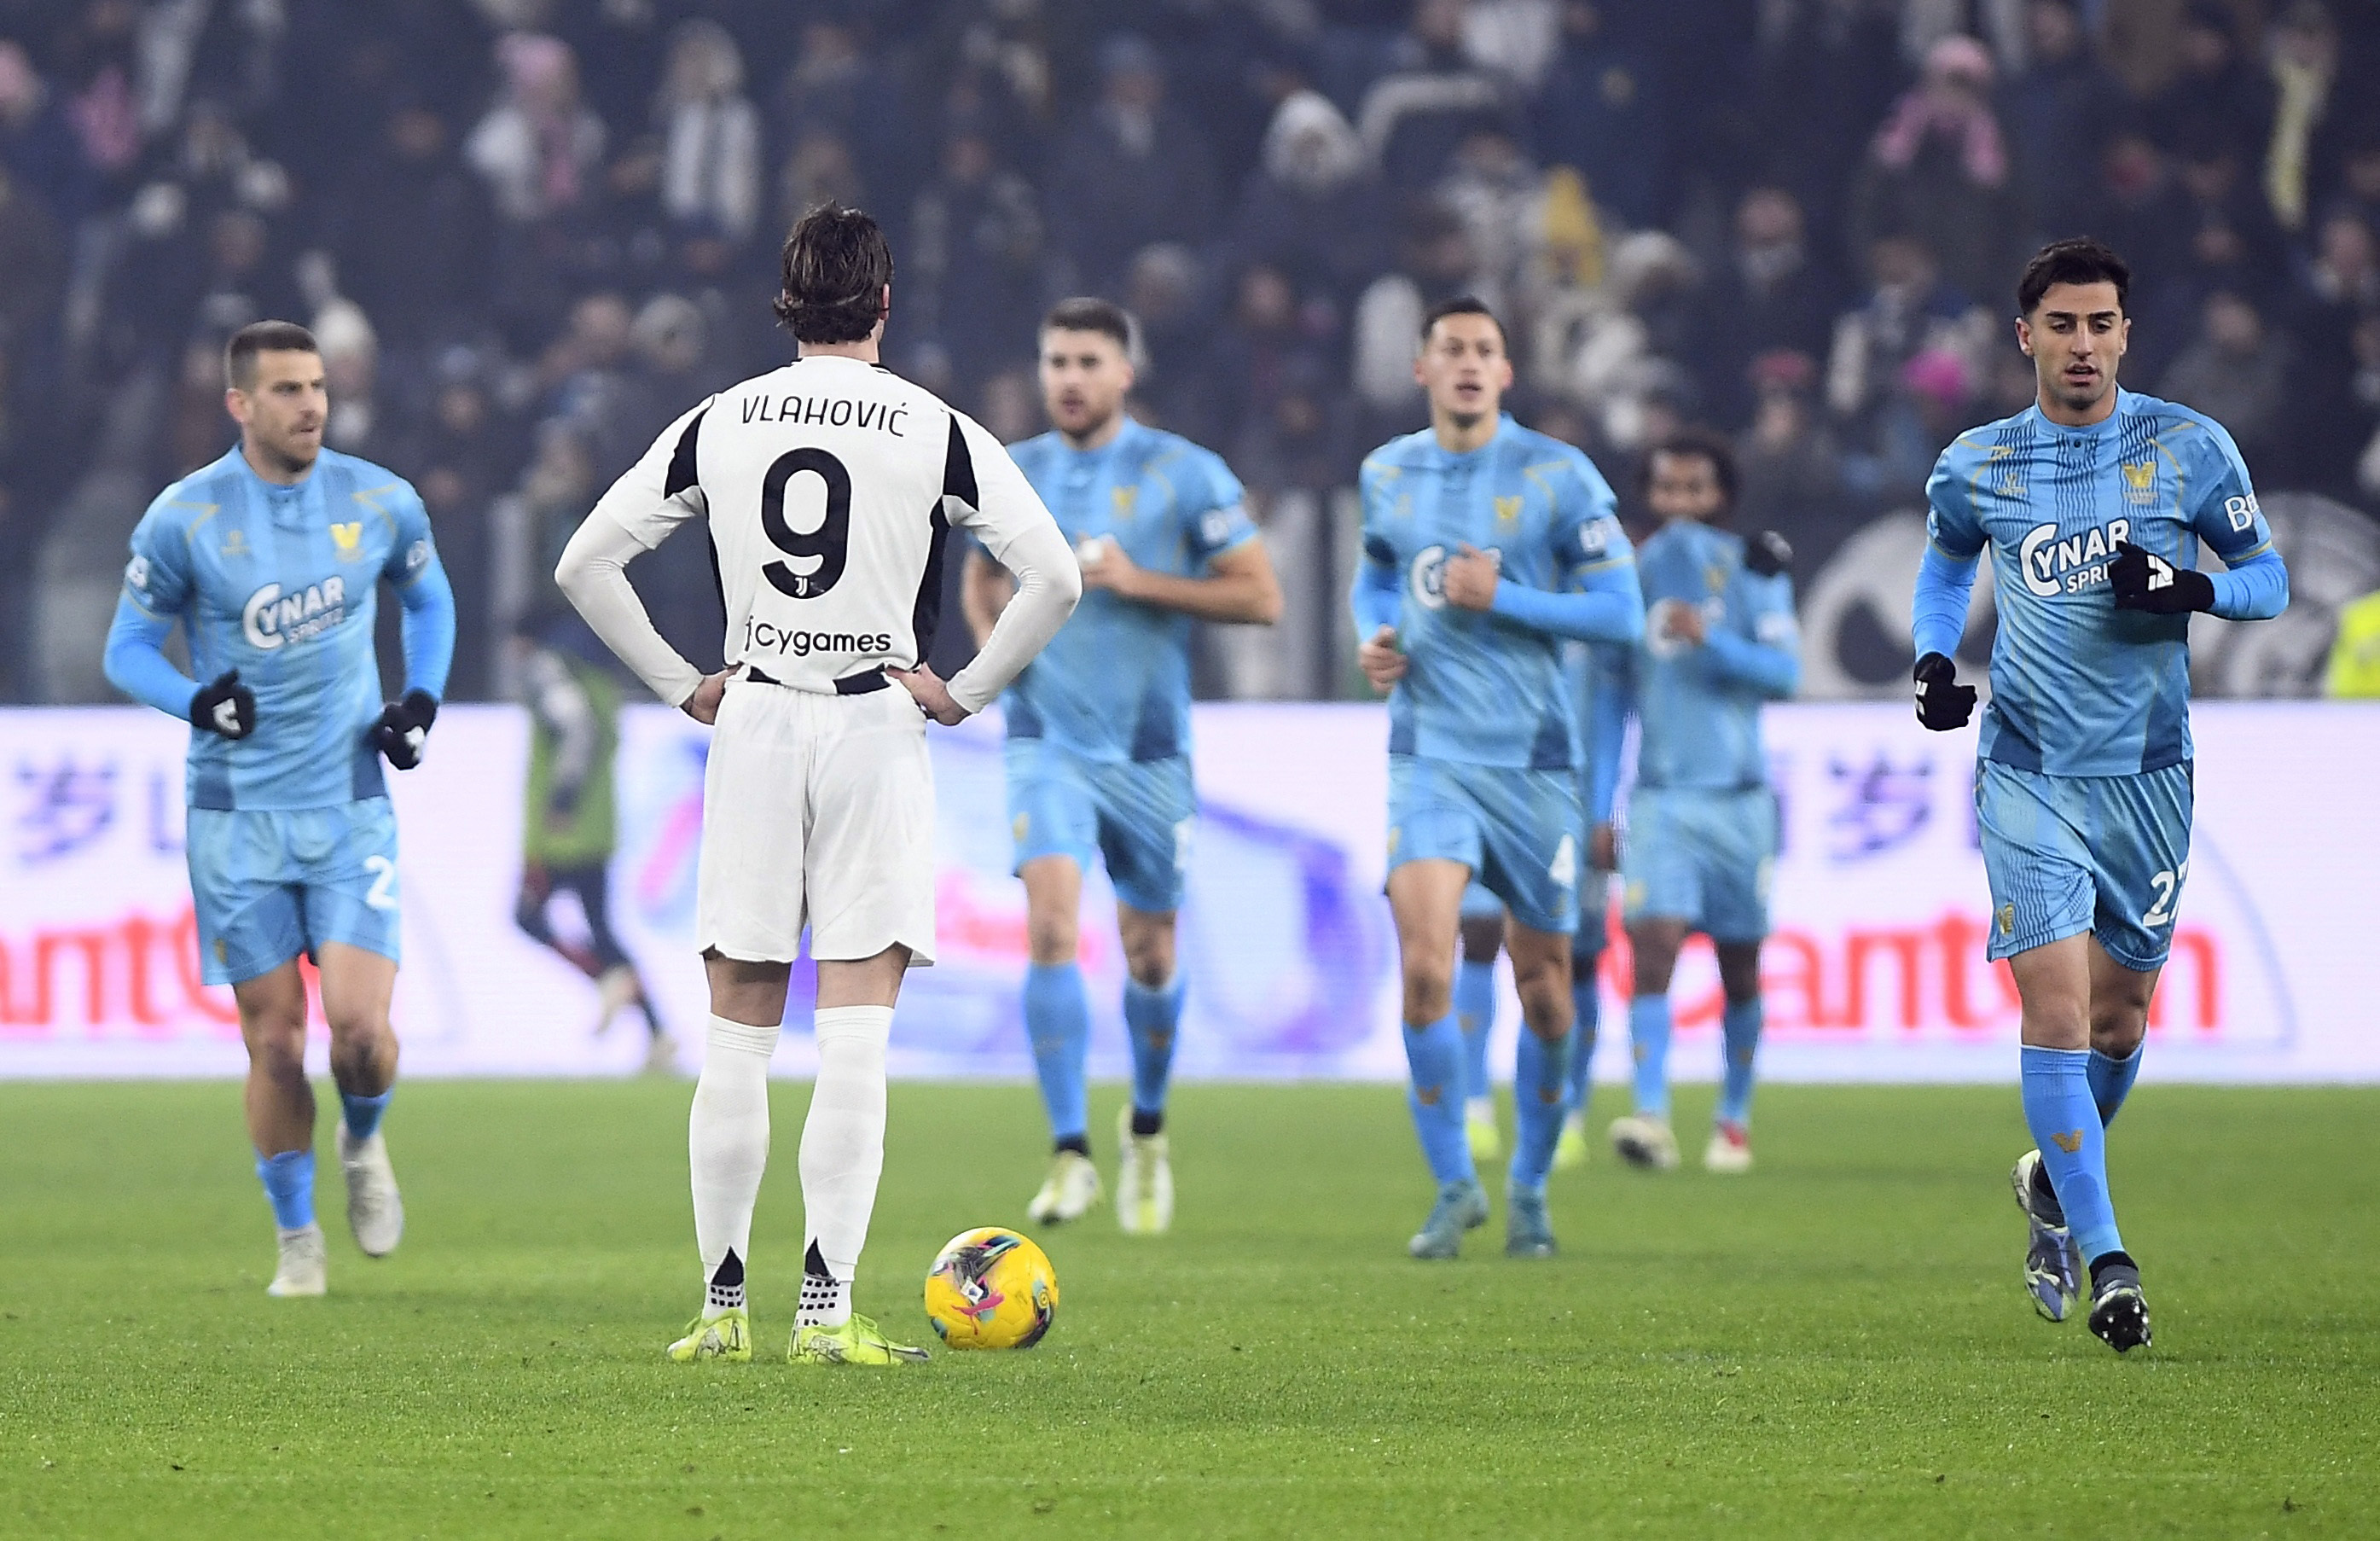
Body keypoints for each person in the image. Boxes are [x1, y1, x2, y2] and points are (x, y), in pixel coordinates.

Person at [554, 203, 1080, 1366]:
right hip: (873, 725)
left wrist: (679, 682)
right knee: (852, 1041)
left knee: (735, 1038)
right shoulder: (933, 427)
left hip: (753, 721)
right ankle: (826, 1315)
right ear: (886, 303)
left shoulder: (721, 417)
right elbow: (1053, 576)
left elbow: (583, 562)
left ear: (784, 305)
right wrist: (965, 689)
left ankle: (721, 1310)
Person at [1912, 238, 2289, 1354]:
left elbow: (2267, 580)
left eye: (2100, 324)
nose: (2082, 344)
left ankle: (2049, 1185)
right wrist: (1935, 658)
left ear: (2125, 334)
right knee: (2058, 1013)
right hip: (2026, 771)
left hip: (2147, 774)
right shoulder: (1977, 462)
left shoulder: (2186, 448)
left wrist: (2188, 586)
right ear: (2024, 337)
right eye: (2060, 325)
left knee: (2121, 1018)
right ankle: (2110, 1256)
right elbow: (1942, 560)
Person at [101, 320, 457, 1297]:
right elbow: (125, 649)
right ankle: (298, 1239)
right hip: (235, 815)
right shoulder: (185, 517)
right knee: (274, 1040)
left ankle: (364, 1139)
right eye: (289, 391)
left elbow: (430, 605)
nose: (312, 405)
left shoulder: (380, 499)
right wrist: (198, 701)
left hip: (347, 802)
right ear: (240, 405)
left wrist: (418, 700)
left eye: (318, 387)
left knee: (359, 1031)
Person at [961, 297, 1283, 1235]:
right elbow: (981, 577)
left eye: (1087, 361)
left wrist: (1141, 582)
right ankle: (1070, 1156)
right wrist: (997, 653)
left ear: (1123, 373)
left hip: (1147, 750)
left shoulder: (1185, 474)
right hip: (1045, 741)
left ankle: (1146, 1130)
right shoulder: (1015, 475)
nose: (1068, 378)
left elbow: (1262, 598)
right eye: (1056, 361)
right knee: (1051, 927)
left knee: (1150, 951)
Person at [1353, 296, 1644, 1260]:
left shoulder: (1558, 476)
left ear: (1507, 372)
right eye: (1452, 349)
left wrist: (1504, 597)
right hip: (1428, 755)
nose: (1469, 363)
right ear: (1422, 369)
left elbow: (1622, 615)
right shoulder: (1387, 472)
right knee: (1428, 967)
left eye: (1486, 350)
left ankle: (1528, 1187)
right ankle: (1453, 1188)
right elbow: (1374, 574)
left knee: (1546, 987)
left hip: (1534, 767)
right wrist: (1373, 635)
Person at [1604, 430, 1800, 1175]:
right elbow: (1610, 702)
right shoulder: (1631, 578)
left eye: (1694, 490)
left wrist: (1710, 639)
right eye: (1666, 490)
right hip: (1660, 800)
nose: (1679, 505)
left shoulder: (1753, 572)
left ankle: (1735, 1120)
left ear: (1720, 496)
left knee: (1739, 966)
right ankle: (1650, 1115)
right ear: (1648, 496)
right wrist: (1600, 806)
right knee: (1651, 948)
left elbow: (1785, 674)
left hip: (1738, 802)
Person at [512, 619, 672, 1072]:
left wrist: (561, 800)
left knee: (526, 915)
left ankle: (607, 979)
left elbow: (577, 731)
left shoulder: (550, 671)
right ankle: (658, 1032)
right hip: (599, 828)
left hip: (561, 832)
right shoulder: (602, 682)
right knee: (602, 928)